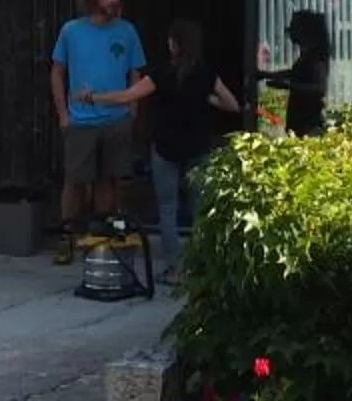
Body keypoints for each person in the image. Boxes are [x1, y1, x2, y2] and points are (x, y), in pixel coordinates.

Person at [78, 18, 243, 268]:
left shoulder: (162, 74)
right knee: (199, 209)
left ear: (174, 45)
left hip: (165, 148)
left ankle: (174, 268)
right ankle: (199, 267)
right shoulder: (206, 74)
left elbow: (126, 96)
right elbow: (233, 104)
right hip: (197, 148)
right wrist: (208, 99)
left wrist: (92, 97)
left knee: (167, 209)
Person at [50, 0, 145, 236]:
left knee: (109, 179)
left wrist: (132, 109)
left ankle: (101, 236)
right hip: (80, 119)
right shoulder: (71, 31)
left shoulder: (127, 31)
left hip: (116, 118)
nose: (114, 0)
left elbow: (135, 73)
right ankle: (67, 238)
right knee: (74, 180)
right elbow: (57, 72)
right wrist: (63, 114)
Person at [260, 8, 333, 137]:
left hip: (308, 120)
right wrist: (268, 75)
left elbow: (319, 89)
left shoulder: (315, 57)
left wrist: (286, 86)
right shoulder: (308, 54)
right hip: (301, 118)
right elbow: (295, 73)